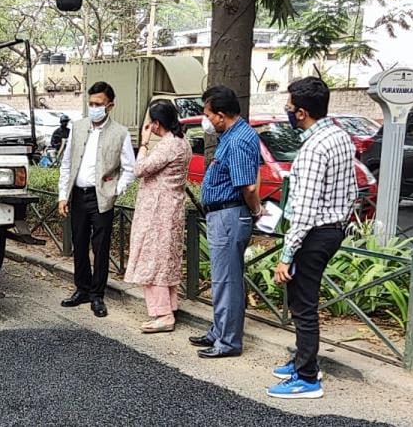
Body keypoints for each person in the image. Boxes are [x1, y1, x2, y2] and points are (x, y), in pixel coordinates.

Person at [266, 77, 357, 399]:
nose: (288, 112)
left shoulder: (313, 149)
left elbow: (304, 210)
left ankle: (307, 378)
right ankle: (305, 360)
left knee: (303, 304)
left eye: (289, 108)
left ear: (302, 112)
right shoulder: (340, 137)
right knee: (305, 300)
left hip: (314, 232)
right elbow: (352, 190)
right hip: (333, 228)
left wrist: (286, 255)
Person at [189, 86, 263, 358]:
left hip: (230, 214)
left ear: (220, 115)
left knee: (227, 280)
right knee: (221, 278)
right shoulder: (231, 136)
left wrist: (255, 211)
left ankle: (228, 341)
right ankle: (218, 332)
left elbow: (248, 186)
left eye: (207, 114)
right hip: (223, 214)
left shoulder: (240, 139)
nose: (205, 120)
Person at [58, 82, 136, 317]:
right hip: (79, 195)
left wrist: (115, 190)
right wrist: (63, 195)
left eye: (99, 104)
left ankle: (97, 295)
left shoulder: (120, 133)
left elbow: (129, 168)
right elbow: (67, 163)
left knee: (100, 247)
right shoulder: (78, 127)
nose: (94, 108)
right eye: (91, 104)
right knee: (79, 244)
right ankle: (81, 288)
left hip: (102, 196)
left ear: (110, 106)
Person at [123, 100, 192, 333]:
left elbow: (140, 169)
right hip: (171, 208)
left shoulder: (167, 145)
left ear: (156, 123)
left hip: (157, 210)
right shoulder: (183, 142)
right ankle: (169, 307)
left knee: (152, 260)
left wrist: (143, 144)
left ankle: (162, 314)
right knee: (166, 258)